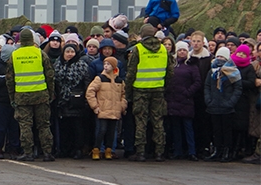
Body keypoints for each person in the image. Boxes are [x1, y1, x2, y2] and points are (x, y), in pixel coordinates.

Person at [126, 24, 174, 162]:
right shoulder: (163, 49)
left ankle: (140, 152)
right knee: (158, 121)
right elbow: (170, 72)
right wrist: (164, 85)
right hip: (158, 89)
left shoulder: (138, 49)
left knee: (140, 121)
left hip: (140, 90)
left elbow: (131, 73)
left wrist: (128, 92)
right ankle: (159, 152)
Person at [6, 28, 55, 161]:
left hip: (22, 96)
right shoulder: (40, 53)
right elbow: (50, 76)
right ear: (33, 40)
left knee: (25, 125)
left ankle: (28, 152)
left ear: (20, 40)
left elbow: (9, 80)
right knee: (44, 125)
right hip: (41, 94)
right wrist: (51, 93)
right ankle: (47, 152)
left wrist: (12, 97)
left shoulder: (14, 55)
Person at [204, 47, 242, 162]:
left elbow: (238, 88)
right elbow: (207, 86)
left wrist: (230, 102)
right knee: (216, 130)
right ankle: (217, 150)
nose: (219, 59)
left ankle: (226, 151)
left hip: (227, 107)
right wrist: (208, 100)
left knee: (227, 130)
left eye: (222, 57)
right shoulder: (212, 71)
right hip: (214, 106)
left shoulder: (233, 71)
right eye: (218, 56)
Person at [166, 40, 202, 160]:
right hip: (173, 99)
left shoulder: (192, 65)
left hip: (186, 100)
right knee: (176, 128)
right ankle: (177, 151)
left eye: (184, 50)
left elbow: (197, 82)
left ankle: (191, 151)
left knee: (188, 127)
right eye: (180, 50)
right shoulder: (172, 65)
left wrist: (188, 92)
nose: (182, 52)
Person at [86, 57, 127, 160]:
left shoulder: (119, 81)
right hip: (103, 109)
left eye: (109, 64)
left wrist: (122, 106)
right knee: (101, 130)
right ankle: (97, 149)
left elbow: (124, 95)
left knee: (111, 131)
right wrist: (95, 106)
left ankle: (108, 150)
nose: (106, 66)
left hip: (115, 110)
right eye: (105, 64)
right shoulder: (100, 78)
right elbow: (90, 92)